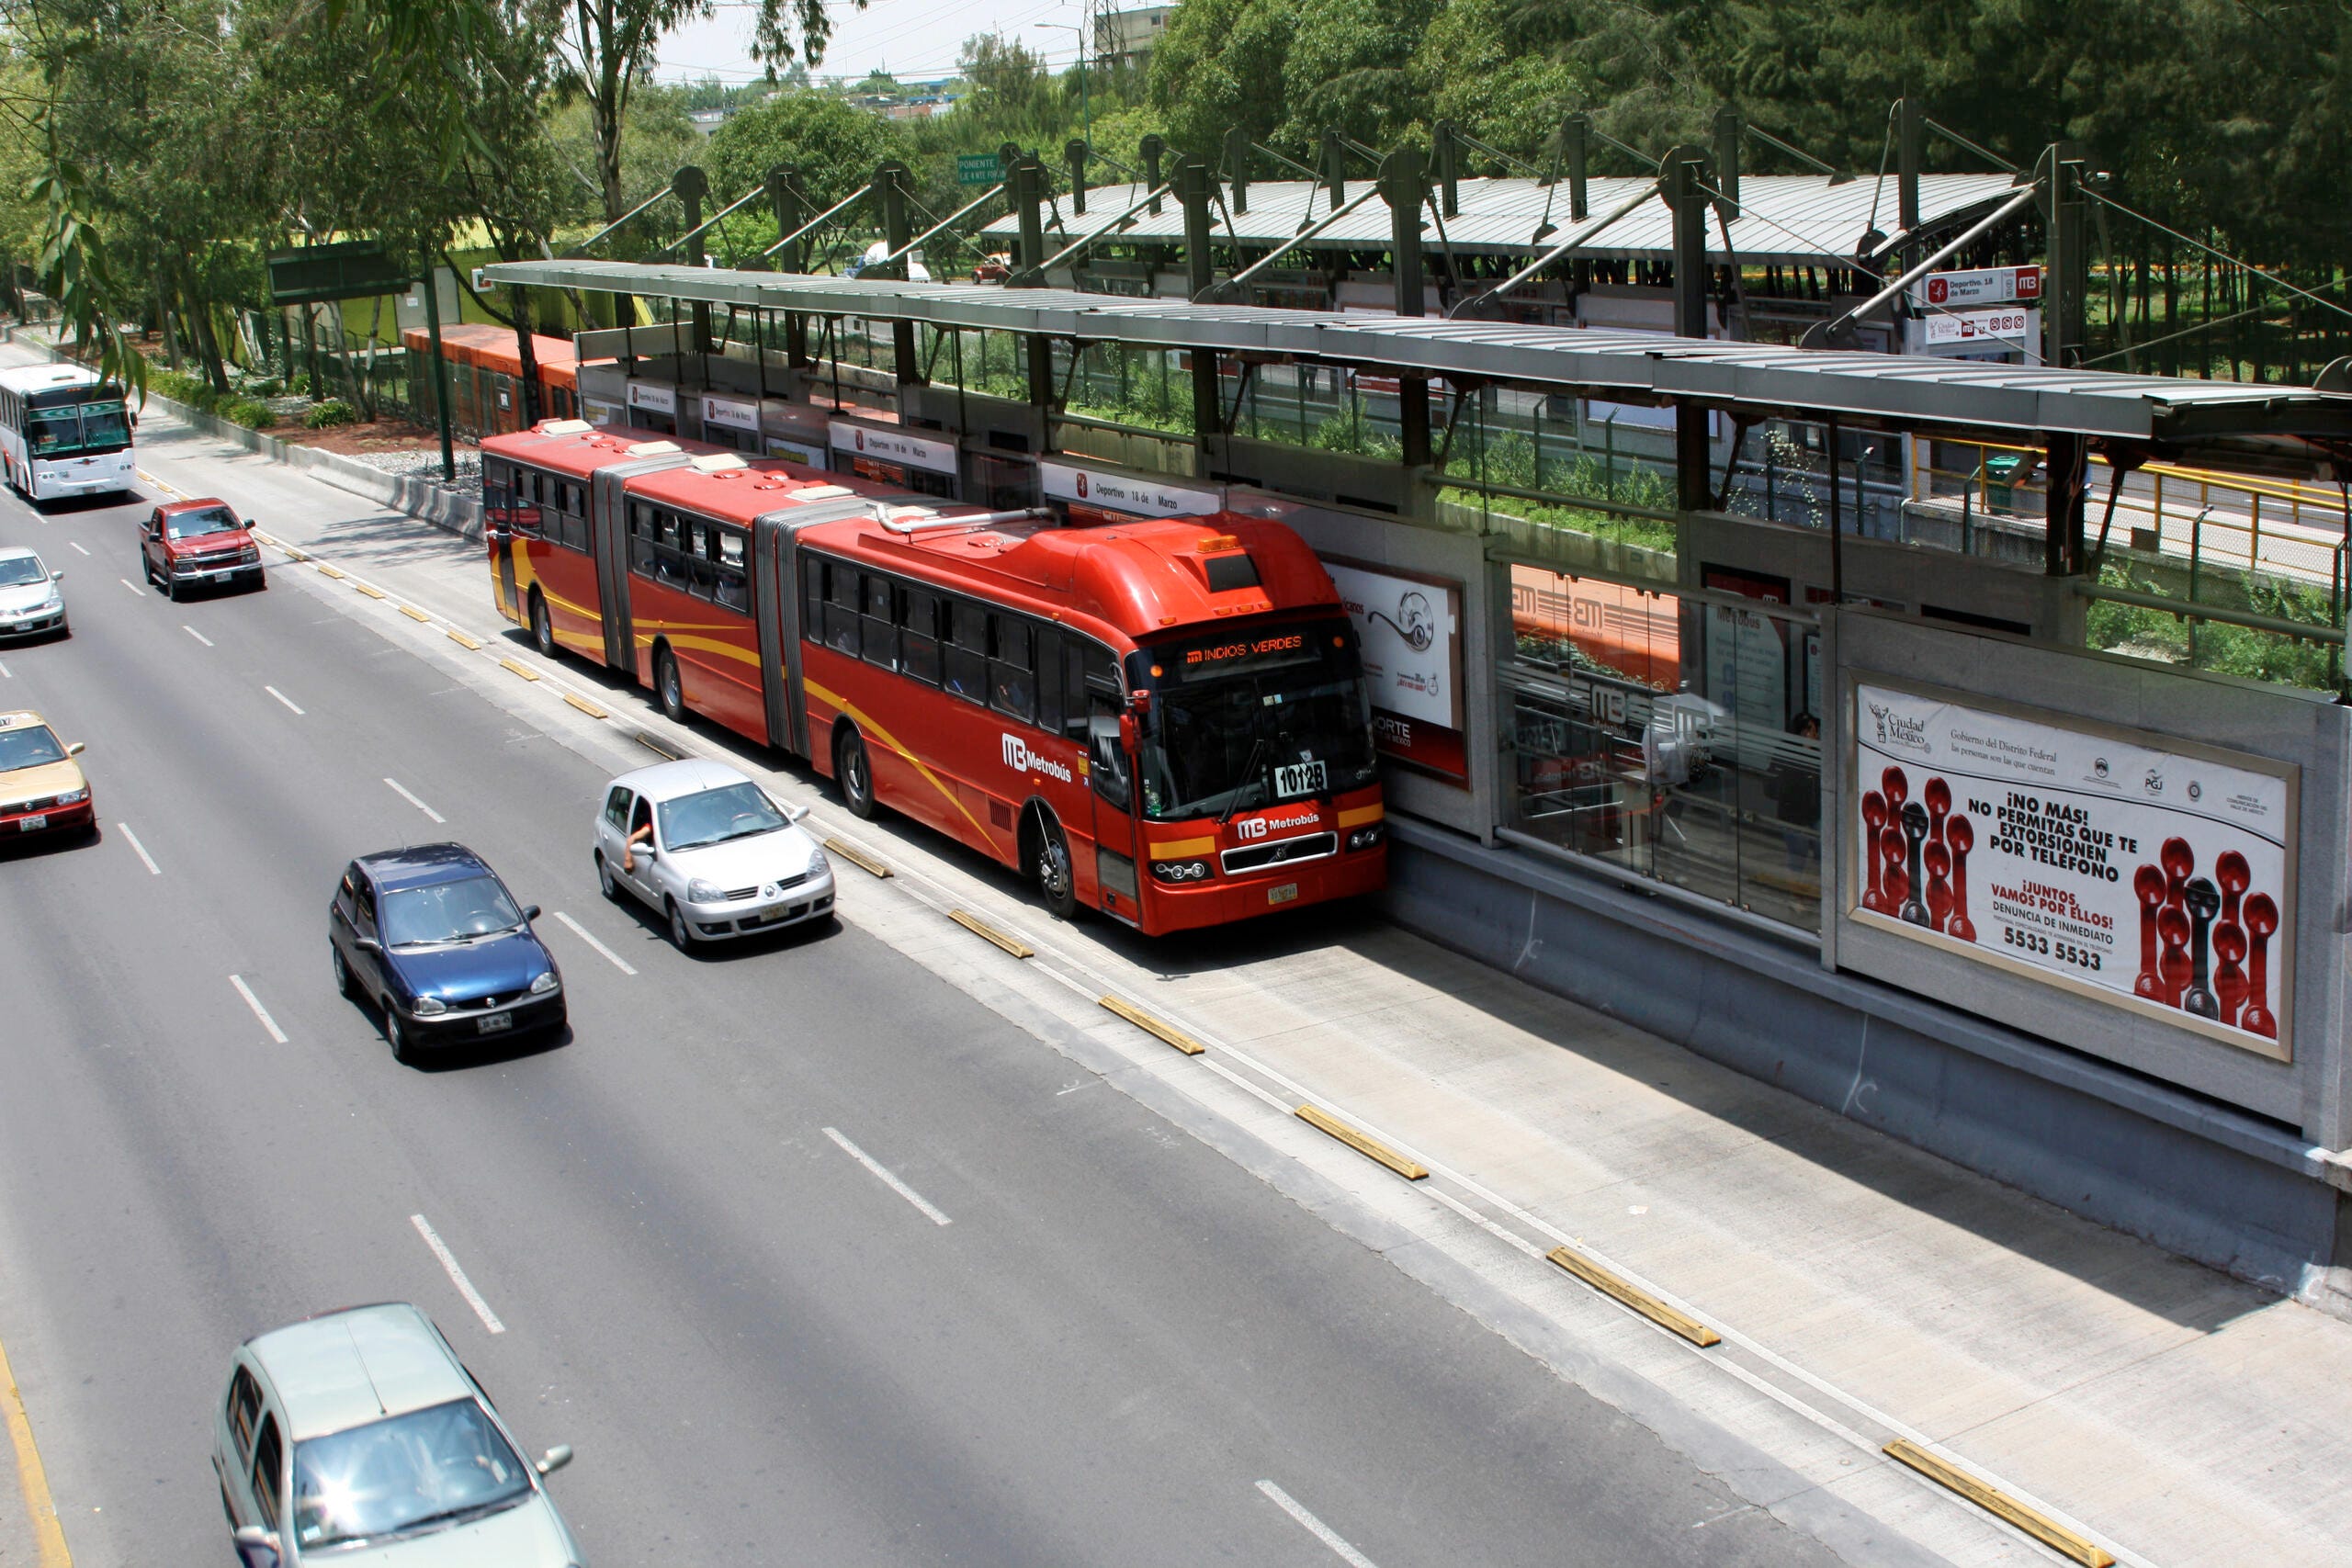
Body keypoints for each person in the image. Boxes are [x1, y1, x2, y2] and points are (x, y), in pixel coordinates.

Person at [1771, 714, 1822, 873]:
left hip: (1813, 814)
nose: (1817, 736)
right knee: (1798, 855)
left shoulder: (1816, 753)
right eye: (1814, 732)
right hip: (1794, 817)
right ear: (1804, 734)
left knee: (1823, 852)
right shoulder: (1789, 755)